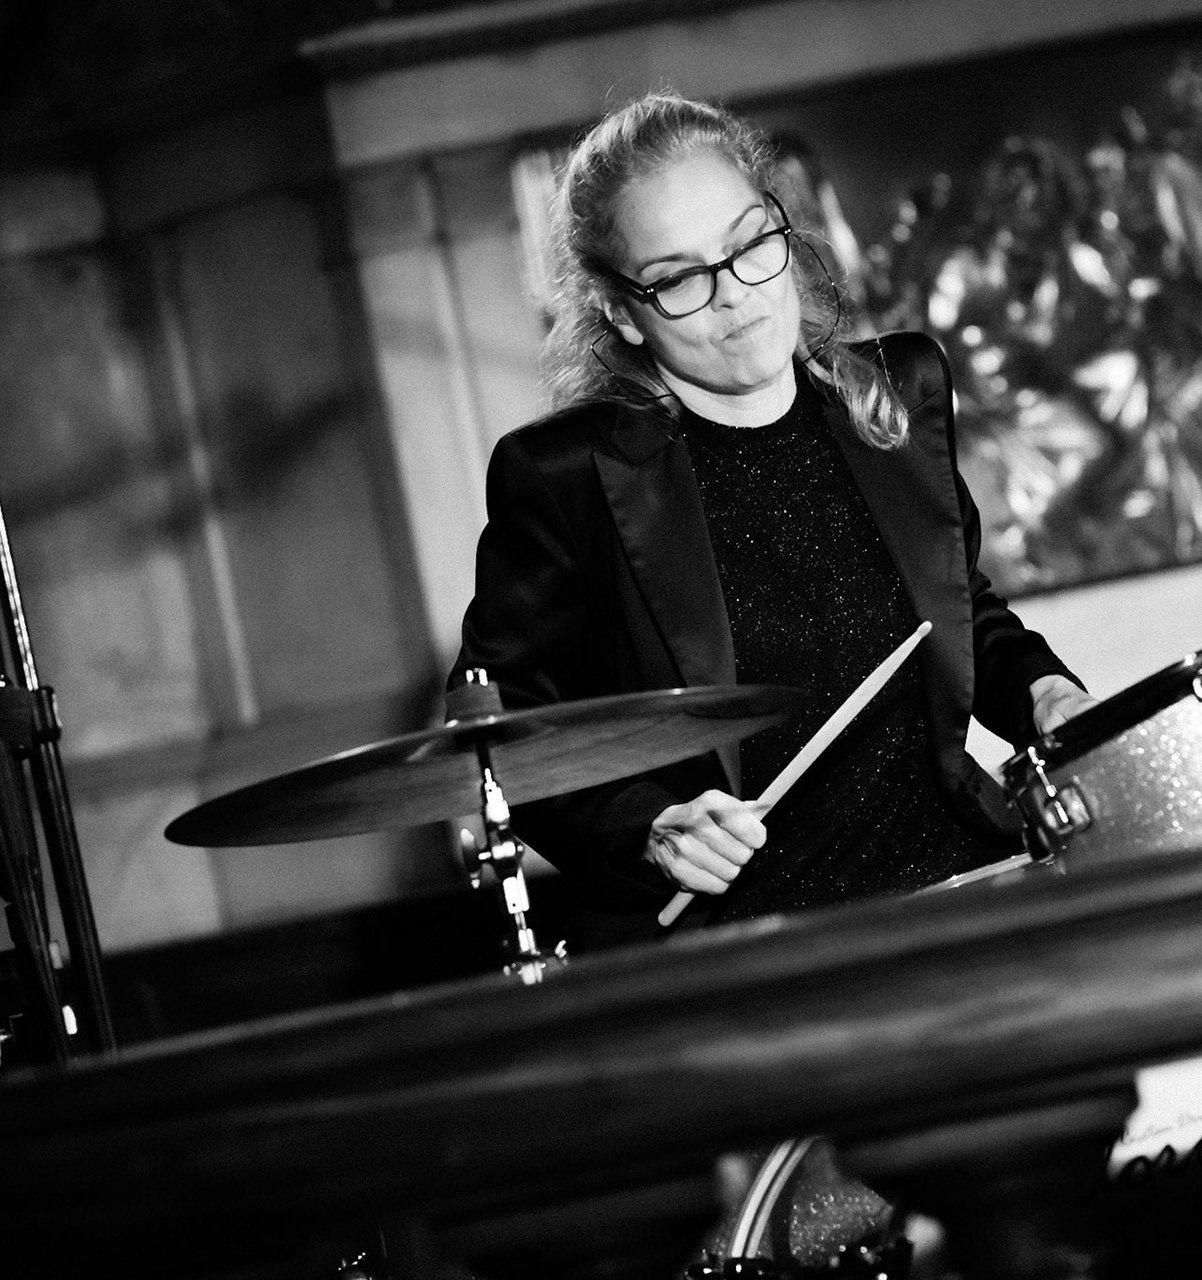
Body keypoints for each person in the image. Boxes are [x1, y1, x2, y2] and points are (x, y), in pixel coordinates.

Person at [452, 92, 1098, 948]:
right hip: (751, 941)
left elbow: (959, 612)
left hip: (964, 882)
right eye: (680, 277)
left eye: (749, 243)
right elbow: (504, 730)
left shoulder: (898, 392)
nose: (734, 296)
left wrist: (1045, 693)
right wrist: (649, 827)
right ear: (619, 310)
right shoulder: (565, 476)